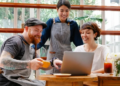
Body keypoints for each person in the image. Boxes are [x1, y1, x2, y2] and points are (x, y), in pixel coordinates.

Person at [0, 18, 62, 86]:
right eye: (36, 30)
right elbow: (3, 62)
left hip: (21, 81)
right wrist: (29, 64)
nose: (39, 34)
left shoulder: (30, 48)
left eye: (41, 31)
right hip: (7, 82)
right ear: (26, 29)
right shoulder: (15, 41)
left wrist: (53, 62)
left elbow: (42, 64)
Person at [32, 0, 83, 74]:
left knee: (67, 81)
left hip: (67, 58)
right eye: (61, 10)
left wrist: (87, 53)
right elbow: (42, 39)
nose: (64, 13)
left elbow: (79, 44)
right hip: (53, 58)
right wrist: (31, 48)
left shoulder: (73, 24)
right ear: (57, 9)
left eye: (67, 11)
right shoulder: (51, 22)